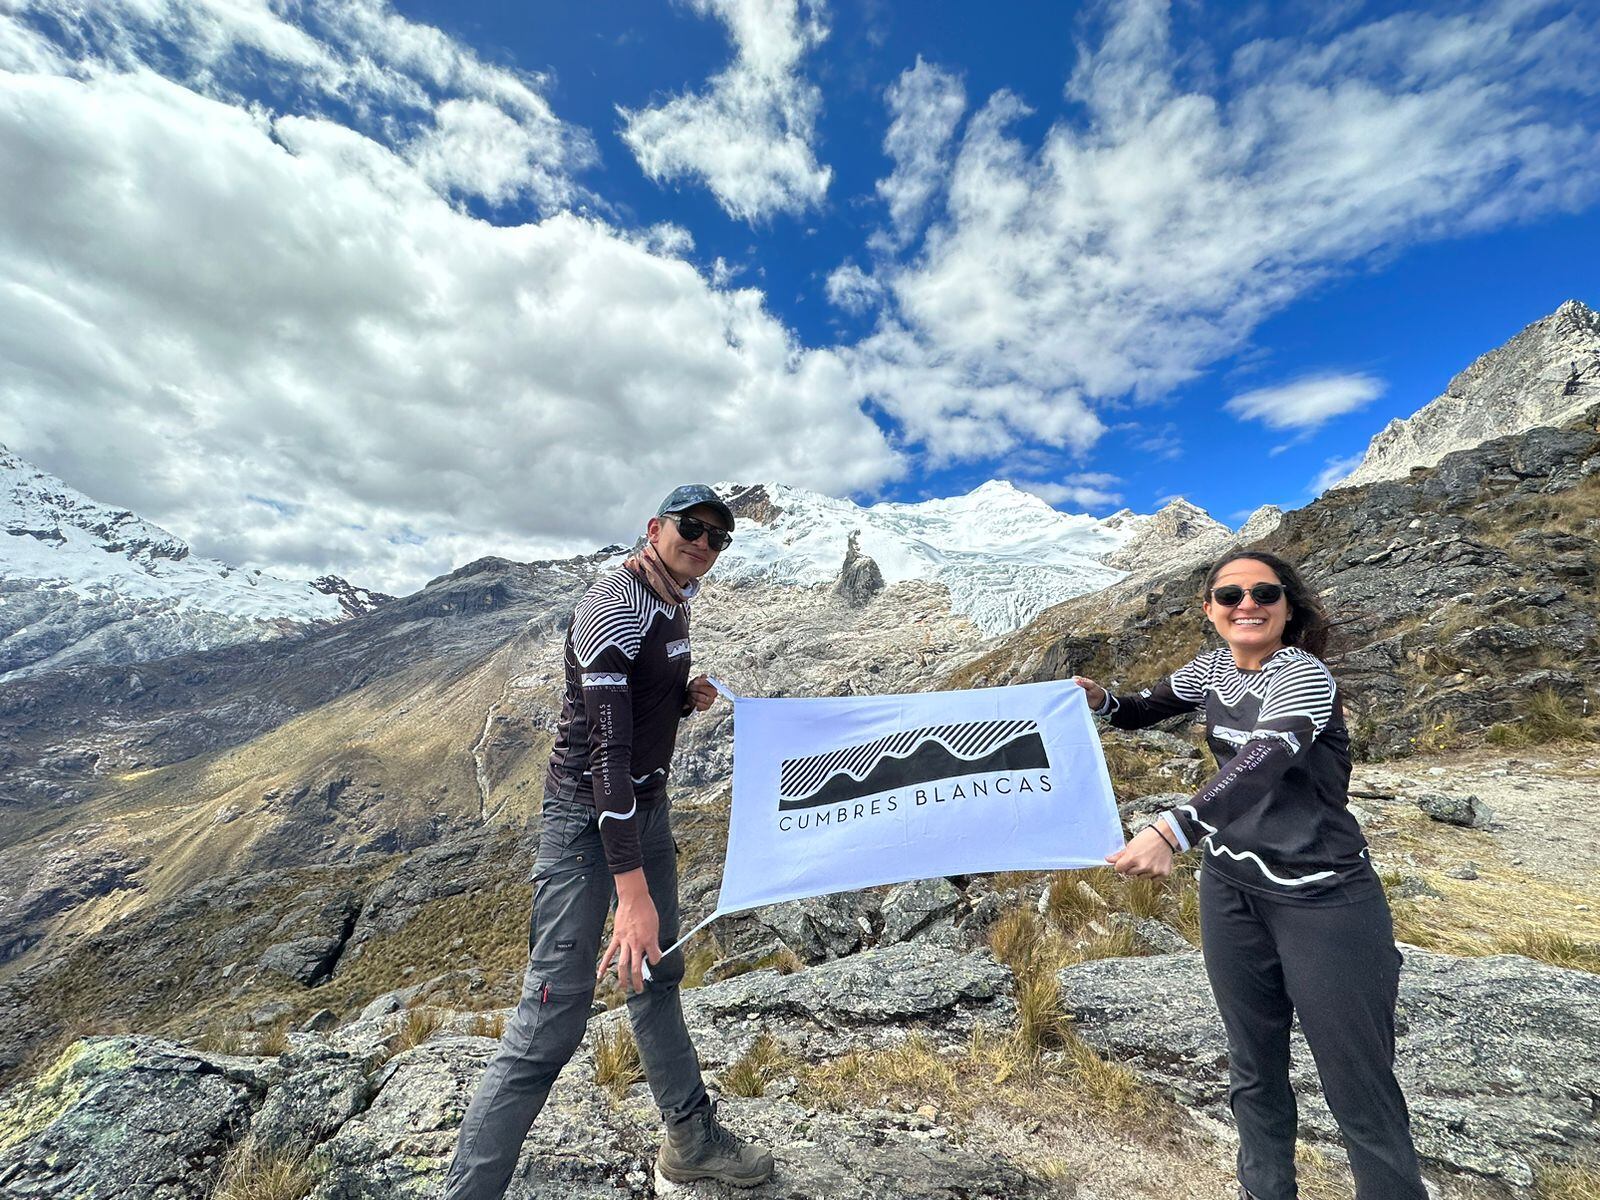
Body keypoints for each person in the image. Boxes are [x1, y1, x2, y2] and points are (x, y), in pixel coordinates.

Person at [442, 484, 774, 1197]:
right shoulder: (613, 606)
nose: (704, 544)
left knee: (658, 976)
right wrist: (631, 892)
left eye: (719, 538)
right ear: (656, 529)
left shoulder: (669, 600)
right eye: (692, 528)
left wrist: (685, 698)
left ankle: (690, 1141)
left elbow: (639, 702)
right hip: (587, 824)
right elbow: (603, 756)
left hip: (643, 813)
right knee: (549, 1026)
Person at [1074, 550, 1427, 1200]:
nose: (1247, 605)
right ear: (1210, 610)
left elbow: (1267, 754)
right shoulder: (1210, 670)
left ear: (1288, 607)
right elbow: (1140, 709)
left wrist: (1171, 829)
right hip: (1231, 889)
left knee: (1359, 1087)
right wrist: (1101, 700)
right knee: (1253, 1068)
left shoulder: (1304, 676)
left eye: (1264, 593)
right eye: (1229, 595)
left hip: (1323, 899)